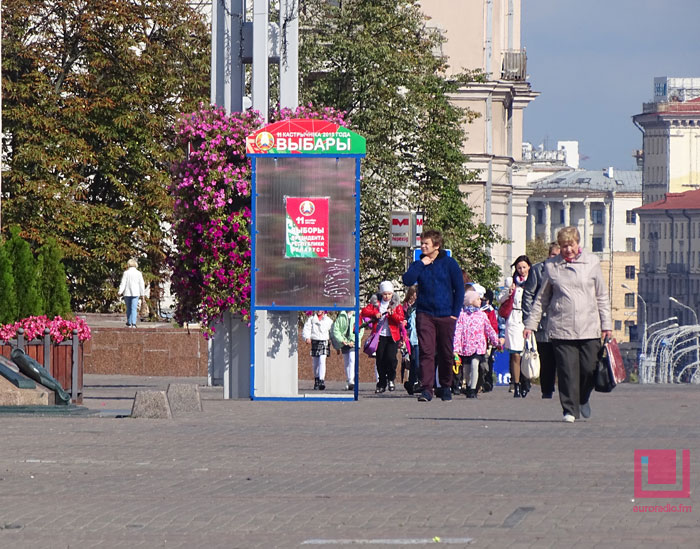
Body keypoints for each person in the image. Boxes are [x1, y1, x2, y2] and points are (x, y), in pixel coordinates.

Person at [524, 226, 612, 423]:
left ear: (577, 243)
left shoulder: (592, 262)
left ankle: (582, 398)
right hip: (561, 327)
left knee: (589, 367)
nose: (567, 250)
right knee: (566, 370)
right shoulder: (551, 267)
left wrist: (607, 325)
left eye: (570, 245)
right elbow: (541, 299)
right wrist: (530, 324)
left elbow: (602, 296)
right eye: (564, 246)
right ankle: (569, 409)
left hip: (589, 326)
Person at [402, 229, 465, 402]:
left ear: (436, 246)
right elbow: (407, 280)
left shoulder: (449, 263)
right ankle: (426, 389)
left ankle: (445, 386)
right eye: (422, 243)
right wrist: (422, 264)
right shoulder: (419, 263)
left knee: (445, 353)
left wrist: (454, 314)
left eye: (426, 244)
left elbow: (459, 289)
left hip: (446, 314)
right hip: (425, 313)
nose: (422, 246)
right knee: (426, 351)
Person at [525, 242, 561, 398]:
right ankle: (546, 390)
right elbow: (528, 295)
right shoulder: (538, 270)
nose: (555, 259)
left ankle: (565, 389)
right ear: (549, 255)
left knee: (563, 357)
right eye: (553, 255)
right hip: (543, 322)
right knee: (546, 357)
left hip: (561, 321)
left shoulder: (566, 271)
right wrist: (530, 319)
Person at [453, 290, 500, 398]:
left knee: (475, 364)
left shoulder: (482, 315)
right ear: (471, 300)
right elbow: (457, 332)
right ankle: (468, 385)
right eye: (478, 299)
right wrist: (456, 348)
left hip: (478, 347)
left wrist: (496, 341)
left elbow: (489, 329)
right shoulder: (462, 315)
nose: (480, 301)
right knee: (466, 369)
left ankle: (473, 389)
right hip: (465, 347)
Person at [361, 281, 405, 393]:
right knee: (380, 359)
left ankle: (391, 378)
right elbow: (365, 312)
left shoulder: (396, 305)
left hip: (392, 336)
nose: (387, 296)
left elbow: (400, 318)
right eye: (385, 294)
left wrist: (392, 314)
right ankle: (381, 383)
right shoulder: (376, 303)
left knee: (391, 358)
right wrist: (374, 313)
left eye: (389, 294)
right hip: (379, 335)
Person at [498, 255, 533, 398]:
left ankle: (526, 380)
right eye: (519, 268)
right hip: (513, 319)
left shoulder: (533, 282)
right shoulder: (511, 283)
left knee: (527, 353)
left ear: (529, 267)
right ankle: (516, 384)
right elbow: (500, 300)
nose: (522, 270)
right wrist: (509, 292)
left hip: (527, 319)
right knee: (515, 354)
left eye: (524, 267)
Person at [331, 310, 363, 391]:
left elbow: (360, 329)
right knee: (346, 362)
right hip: (344, 342)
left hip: (353, 342)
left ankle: (352, 380)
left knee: (352, 359)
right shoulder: (341, 315)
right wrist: (342, 340)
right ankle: (349, 380)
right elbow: (336, 330)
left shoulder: (357, 315)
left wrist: (353, 340)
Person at [302, 311, 334, 390]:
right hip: (315, 341)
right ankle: (316, 379)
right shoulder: (311, 319)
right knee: (315, 362)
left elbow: (332, 331)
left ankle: (321, 380)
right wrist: (307, 337)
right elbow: (307, 328)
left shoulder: (328, 320)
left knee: (322, 361)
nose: (319, 310)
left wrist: (335, 344)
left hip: (324, 341)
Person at [402, 286, 421, 395]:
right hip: (414, 339)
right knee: (414, 361)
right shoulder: (411, 308)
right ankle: (412, 382)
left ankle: (416, 382)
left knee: (417, 361)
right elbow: (409, 324)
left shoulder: (421, 307)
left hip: (421, 338)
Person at [118, 258, 146, 328]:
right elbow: (141, 284)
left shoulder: (126, 273)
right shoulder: (139, 273)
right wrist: (142, 294)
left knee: (128, 308)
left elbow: (123, 283)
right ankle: (133, 323)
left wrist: (120, 291)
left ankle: (129, 322)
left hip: (127, 293)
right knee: (134, 308)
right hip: (136, 293)